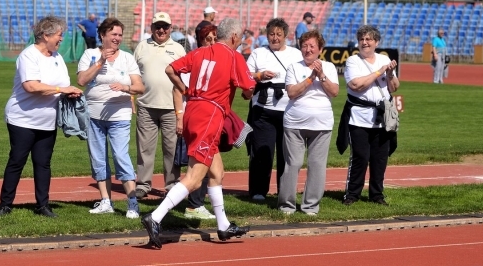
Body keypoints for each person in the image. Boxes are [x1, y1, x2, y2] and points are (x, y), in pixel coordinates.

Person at [142, 18, 256, 249]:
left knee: (217, 172)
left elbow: (170, 69)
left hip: (193, 109)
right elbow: (248, 90)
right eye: (240, 37)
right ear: (233, 37)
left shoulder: (201, 52)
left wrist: (186, 90)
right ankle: (155, 217)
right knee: (194, 178)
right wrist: (254, 84)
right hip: (210, 115)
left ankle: (223, 225)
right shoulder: (234, 57)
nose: (241, 41)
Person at [0, 16, 82, 218]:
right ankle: (5, 204)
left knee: (43, 163)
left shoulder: (57, 57)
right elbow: (31, 86)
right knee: (17, 160)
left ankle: (43, 205)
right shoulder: (29, 56)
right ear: (46, 35)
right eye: (59, 34)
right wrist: (62, 89)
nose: (62, 38)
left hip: (47, 120)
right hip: (22, 118)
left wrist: (69, 93)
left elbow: (61, 85)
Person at [77, 18, 144, 218]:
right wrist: (100, 62)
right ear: (102, 35)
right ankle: (106, 201)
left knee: (121, 156)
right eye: (113, 34)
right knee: (98, 159)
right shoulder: (90, 54)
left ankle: (132, 203)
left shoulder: (127, 58)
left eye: (119, 35)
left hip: (120, 116)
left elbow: (140, 87)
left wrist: (125, 88)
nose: (117, 38)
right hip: (94, 115)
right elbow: (81, 80)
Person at [277, 30, 339, 216]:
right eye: (304, 45)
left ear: (320, 49)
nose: (308, 49)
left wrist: (321, 76)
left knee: (317, 165)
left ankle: (310, 206)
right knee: (293, 163)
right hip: (294, 123)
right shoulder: (294, 68)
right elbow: (292, 92)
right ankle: (286, 205)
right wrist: (311, 77)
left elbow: (334, 92)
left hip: (322, 125)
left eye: (312, 46)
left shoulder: (329, 67)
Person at [341, 25, 399, 206]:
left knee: (380, 158)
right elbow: (356, 85)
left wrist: (389, 75)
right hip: (359, 116)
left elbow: (394, 87)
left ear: (376, 42)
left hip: (381, 117)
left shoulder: (384, 58)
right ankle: (352, 194)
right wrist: (380, 72)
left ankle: (377, 194)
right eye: (362, 40)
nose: (365, 43)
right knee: (360, 157)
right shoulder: (353, 61)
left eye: (369, 39)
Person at [246, 18, 303, 201]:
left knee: (287, 154)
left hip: (289, 110)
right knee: (262, 150)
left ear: (286, 36)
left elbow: (303, 77)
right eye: (271, 34)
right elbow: (245, 76)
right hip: (263, 109)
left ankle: (284, 192)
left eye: (279, 34)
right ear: (266, 34)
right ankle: (258, 191)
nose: (275, 38)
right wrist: (259, 75)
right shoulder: (258, 53)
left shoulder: (296, 54)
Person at [133, 12, 186, 199]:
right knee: (144, 148)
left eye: (165, 27)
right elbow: (134, 75)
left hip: (172, 107)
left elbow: (184, 79)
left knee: (171, 149)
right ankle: (143, 184)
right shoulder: (141, 47)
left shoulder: (179, 49)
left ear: (171, 28)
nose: (161, 30)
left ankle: (171, 185)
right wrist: (132, 98)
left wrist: (181, 110)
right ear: (151, 28)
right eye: (157, 26)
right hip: (146, 105)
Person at [176, 23, 219, 221]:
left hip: (208, 118)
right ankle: (193, 205)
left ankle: (207, 209)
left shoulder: (215, 59)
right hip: (194, 117)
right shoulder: (193, 59)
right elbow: (177, 88)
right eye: (207, 39)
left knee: (211, 166)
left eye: (214, 39)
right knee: (197, 165)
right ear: (200, 40)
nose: (211, 43)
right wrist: (180, 114)